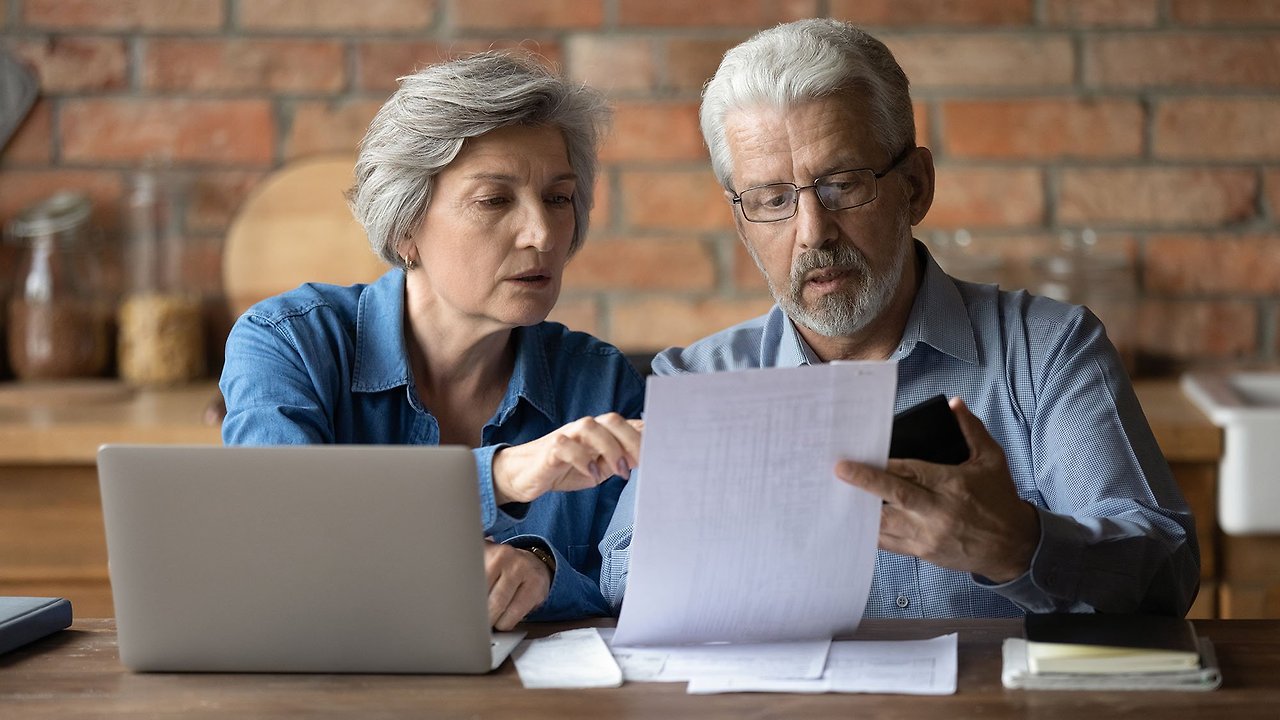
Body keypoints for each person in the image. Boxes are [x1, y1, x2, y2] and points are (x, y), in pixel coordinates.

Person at [599, 19, 1198, 618]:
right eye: (773, 200)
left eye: (842, 184)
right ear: (742, 222)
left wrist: (1021, 547)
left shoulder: (1046, 353)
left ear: (915, 186)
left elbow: (1169, 576)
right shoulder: (699, 382)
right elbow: (620, 576)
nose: (813, 233)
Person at [220, 52, 643, 630]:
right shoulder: (289, 341)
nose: (542, 233)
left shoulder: (600, 381)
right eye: (494, 200)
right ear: (405, 226)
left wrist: (542, 570)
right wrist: (501, 476)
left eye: (558, 197)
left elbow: (634, 583)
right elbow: (277, 525)